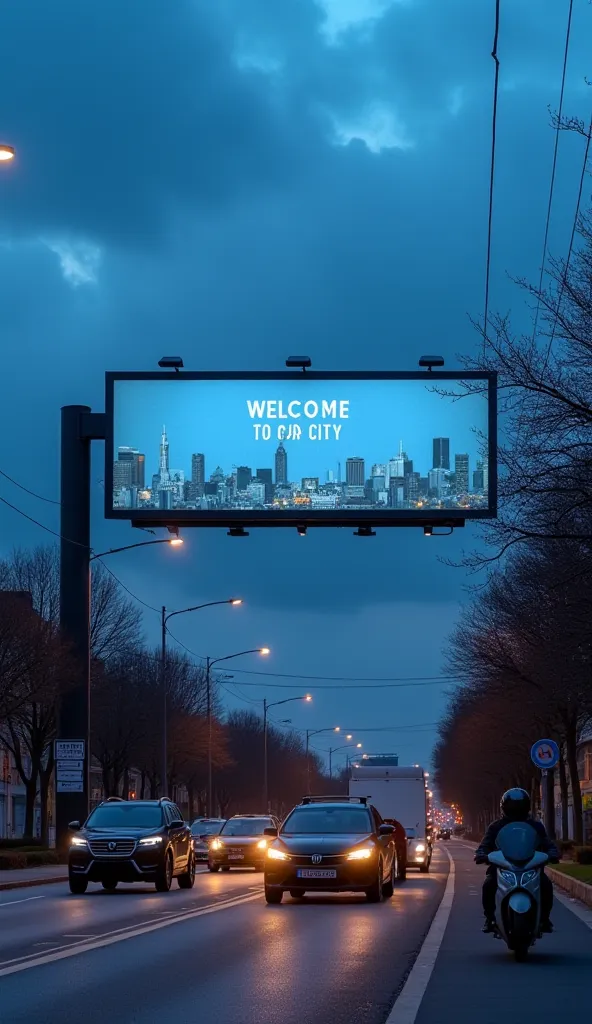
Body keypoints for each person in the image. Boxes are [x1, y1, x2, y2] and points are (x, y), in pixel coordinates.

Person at [474, 787, 559, 933]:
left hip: (530, 867)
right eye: (512, 807)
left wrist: (552, 853)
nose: (516, 810)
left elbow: (547, 842)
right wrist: (482, 853)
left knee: (545, 885)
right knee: (489, 885)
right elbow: (485, 844)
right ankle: (490, 918)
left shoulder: (535, 826)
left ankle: (544, 919)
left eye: (519, 807)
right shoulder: (496, 826)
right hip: (503, 867)